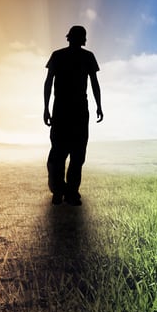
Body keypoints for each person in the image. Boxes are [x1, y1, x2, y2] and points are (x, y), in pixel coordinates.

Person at [43, 25, 103, 206]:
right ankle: (65, 192)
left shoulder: (61, 55)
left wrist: (46, 108)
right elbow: (94, 83)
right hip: (71, 111)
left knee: (65, 154)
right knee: (70, 154)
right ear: (82, 39)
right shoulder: (85, 57)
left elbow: (94, 83)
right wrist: (99, 106)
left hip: (66, 110)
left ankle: (64, 192)